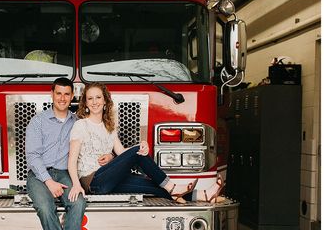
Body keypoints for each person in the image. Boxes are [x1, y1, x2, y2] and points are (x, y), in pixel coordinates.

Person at [67, 82, 225, 205]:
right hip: (93, 182)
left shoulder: (109, 127)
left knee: (153, 185)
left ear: (105, 101)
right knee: (140, 155)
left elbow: (121, 153)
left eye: (98, 97)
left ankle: (203, 195)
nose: (94, 102)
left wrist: (142, 147)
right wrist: (76, 185)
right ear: (85, 104)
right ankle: (174, 187)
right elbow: (72, 162)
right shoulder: (81, 125)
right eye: (90, 98)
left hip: (109, 179)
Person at [25, 77, 86, 230]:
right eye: (58, 93)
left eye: (66, 94)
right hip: (39, 176)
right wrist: (48, 181)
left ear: (72, 97)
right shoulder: (38, 121)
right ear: (52, 94)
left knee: (78, 203)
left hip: (65, 174)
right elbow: (32, 156)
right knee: (45, 207)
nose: (62, 98)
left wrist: (107, 154)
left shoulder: (77, 122)